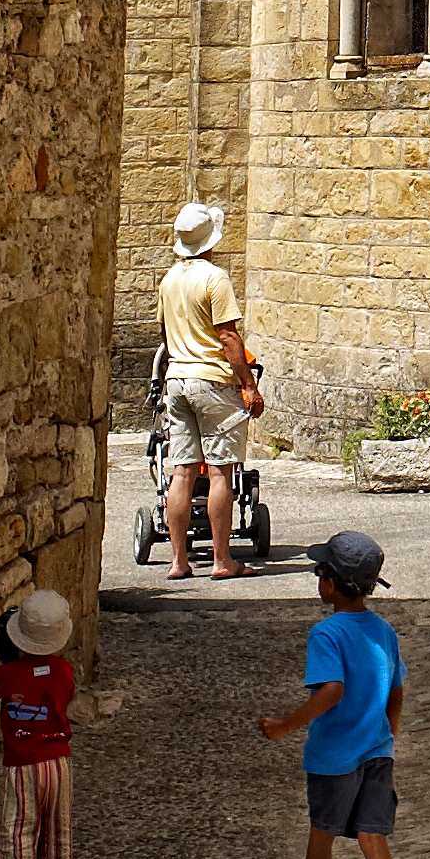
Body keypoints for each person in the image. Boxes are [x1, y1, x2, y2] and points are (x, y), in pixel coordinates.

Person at [259, 528, 405, 859]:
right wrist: (388, 734)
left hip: (333, 756)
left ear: (330, 582)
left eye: (319, 571)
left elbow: (331, 691)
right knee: (373, 838)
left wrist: (286, 724)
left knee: (321, 831)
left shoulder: (326, 634)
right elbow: (396, 691)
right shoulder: (383, 631)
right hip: (376, 752)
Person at [156, 197, 260, 582]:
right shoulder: (215, 278)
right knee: (220, 472)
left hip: (177, 379)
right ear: (210, 241)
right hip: (211, 379)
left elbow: (165, 335)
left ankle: (179, 561)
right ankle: (221, 559)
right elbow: (229, 338)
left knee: (181, 472)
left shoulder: (169, 280)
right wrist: (248, 384)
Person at [0, 585, 78, 859]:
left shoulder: (7, 674)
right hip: (59, 760)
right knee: (56, 824)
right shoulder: (63, 670)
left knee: (19, 824)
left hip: (23, 761)